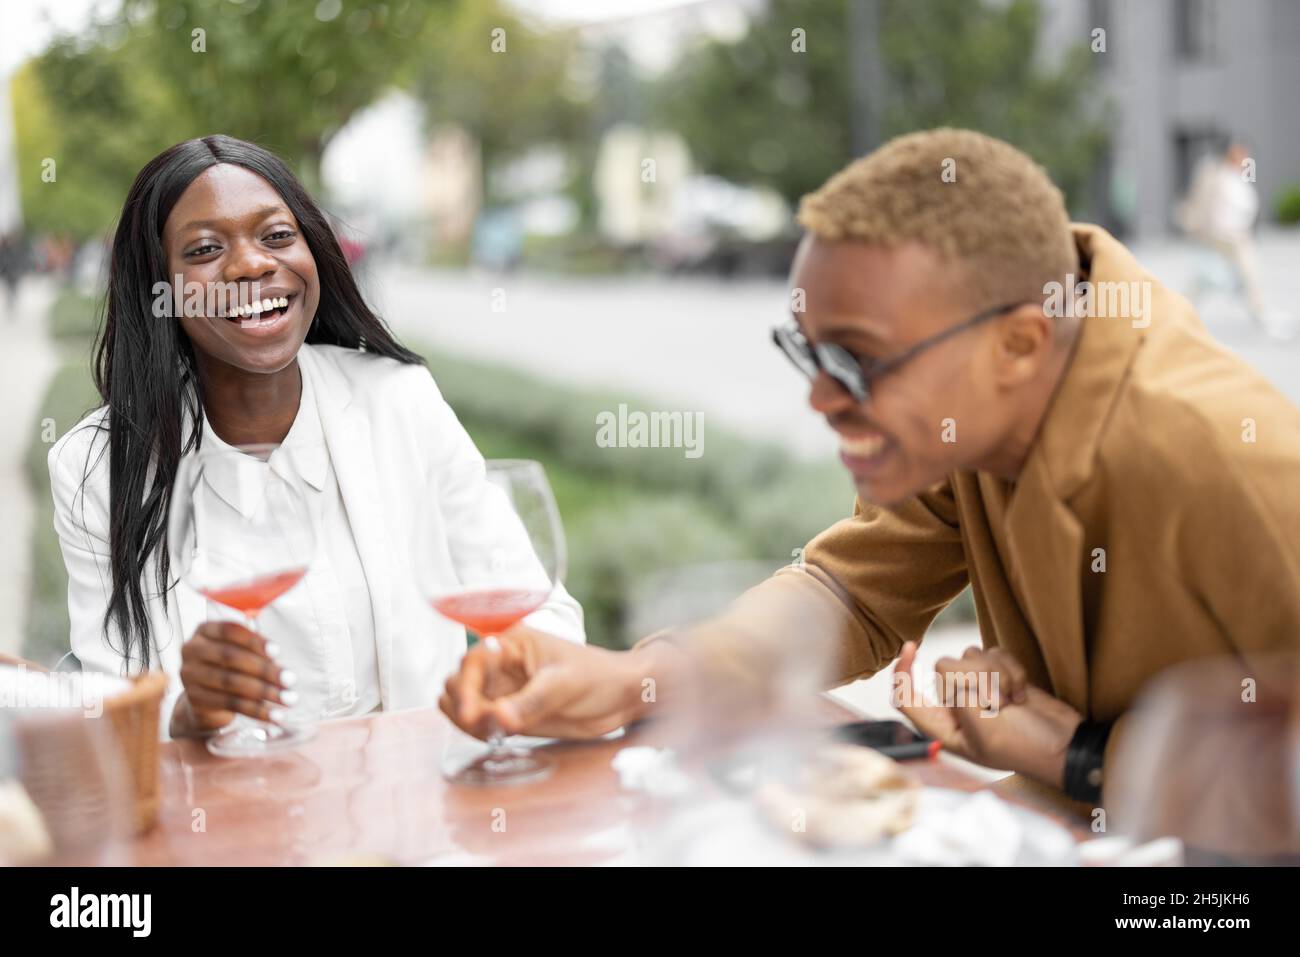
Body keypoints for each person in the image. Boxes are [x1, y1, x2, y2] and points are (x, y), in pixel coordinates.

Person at [440, 128, 1300, 812]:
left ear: (1018, 344)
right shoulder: (978, 418)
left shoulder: (1227, 459)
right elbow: (850, 593)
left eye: (856, 362)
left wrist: (1077, 758)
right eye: (806, 354)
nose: (820, 398)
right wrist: (635, 677)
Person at [47, 135, 585, 740]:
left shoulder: (397, 399)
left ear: (315, 253)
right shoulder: (97, 466)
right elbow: (110, 707)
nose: (251, 265)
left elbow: (543, 614)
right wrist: (190, 713)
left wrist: (501, 686)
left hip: (413, 803)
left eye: (277, 236)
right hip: (227, 820)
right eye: (203, 249)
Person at [1177, 140, 1288, 337]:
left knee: (1205, 278)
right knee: (1247, 272)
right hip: (1222, 236)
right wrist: (1202, 229)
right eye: (1240, 154)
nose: (1245, 158)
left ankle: (1180, 312)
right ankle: (1261, 313)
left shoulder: (1240, 176)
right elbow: (1203, 204)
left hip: (1236, 236)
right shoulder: (1215, 173)